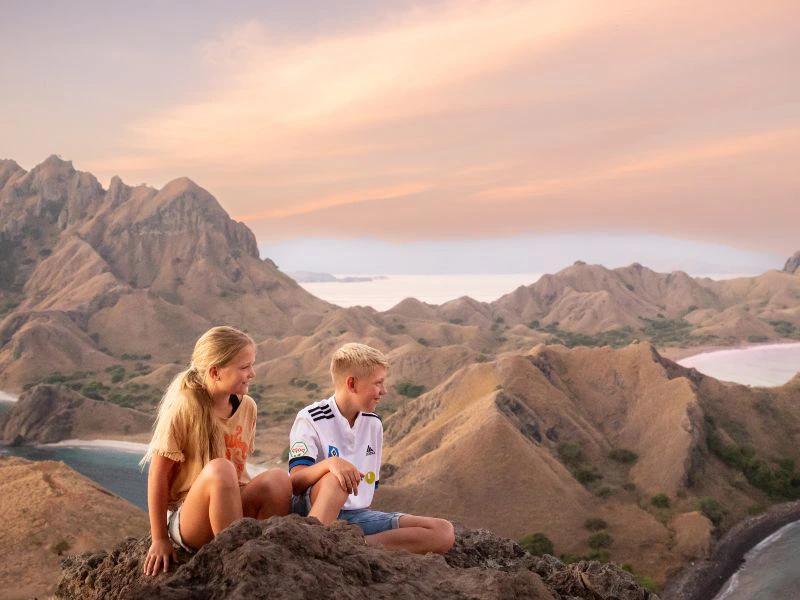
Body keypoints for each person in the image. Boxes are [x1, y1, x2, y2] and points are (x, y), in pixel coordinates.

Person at [141, 326, 292, 576]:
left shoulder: (248, 407)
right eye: (244, 367)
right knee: (221, 469)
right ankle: (236, 564)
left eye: (251, 365)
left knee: (278, 478)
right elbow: (157, 475)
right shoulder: (184, 407)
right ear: (215, 372)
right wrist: (159, 538)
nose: (252, 373)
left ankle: (264, 553)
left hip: (231, 511)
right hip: (191, 518)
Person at [288, 342, 454, 554]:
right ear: (352, 383)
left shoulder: (373, 423)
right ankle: (310, 545)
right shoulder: (311, 418)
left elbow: (366, 493)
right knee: (337, 478)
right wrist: (331, 464)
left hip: (355, 516)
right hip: (312, 510)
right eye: (378, 383)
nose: (383, 391)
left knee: (442, 531)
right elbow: (295, 482)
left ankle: (351, 547)